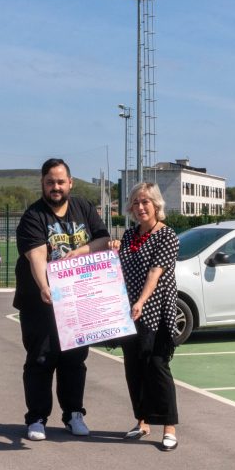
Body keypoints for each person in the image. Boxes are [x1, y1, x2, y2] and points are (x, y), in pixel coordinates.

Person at [14, 158, 112, 441]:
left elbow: (103, 239)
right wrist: (44, 287)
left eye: (60, 182)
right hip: (39, 304)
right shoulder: (34, 215)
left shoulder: (84, 207)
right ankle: (36, 418)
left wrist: (80, 252)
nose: (55, 187)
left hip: (77, 300)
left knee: (75, 359)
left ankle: (73, 414)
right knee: (41, 359)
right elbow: (37, 255)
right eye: (49, 182)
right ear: (42, 184)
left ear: (70, 183)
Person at [118, 182, 180, 451]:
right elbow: (118, 268)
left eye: (146, 202)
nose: (141, 207)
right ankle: (142, 421)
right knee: (134, 367)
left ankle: (169, 426)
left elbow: (156, 273)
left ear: (156, 205)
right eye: (136, 202)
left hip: (156, 311)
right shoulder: (129, 235)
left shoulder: (167, 236)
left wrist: (141, 301)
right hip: (128, 313)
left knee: (157, 367)